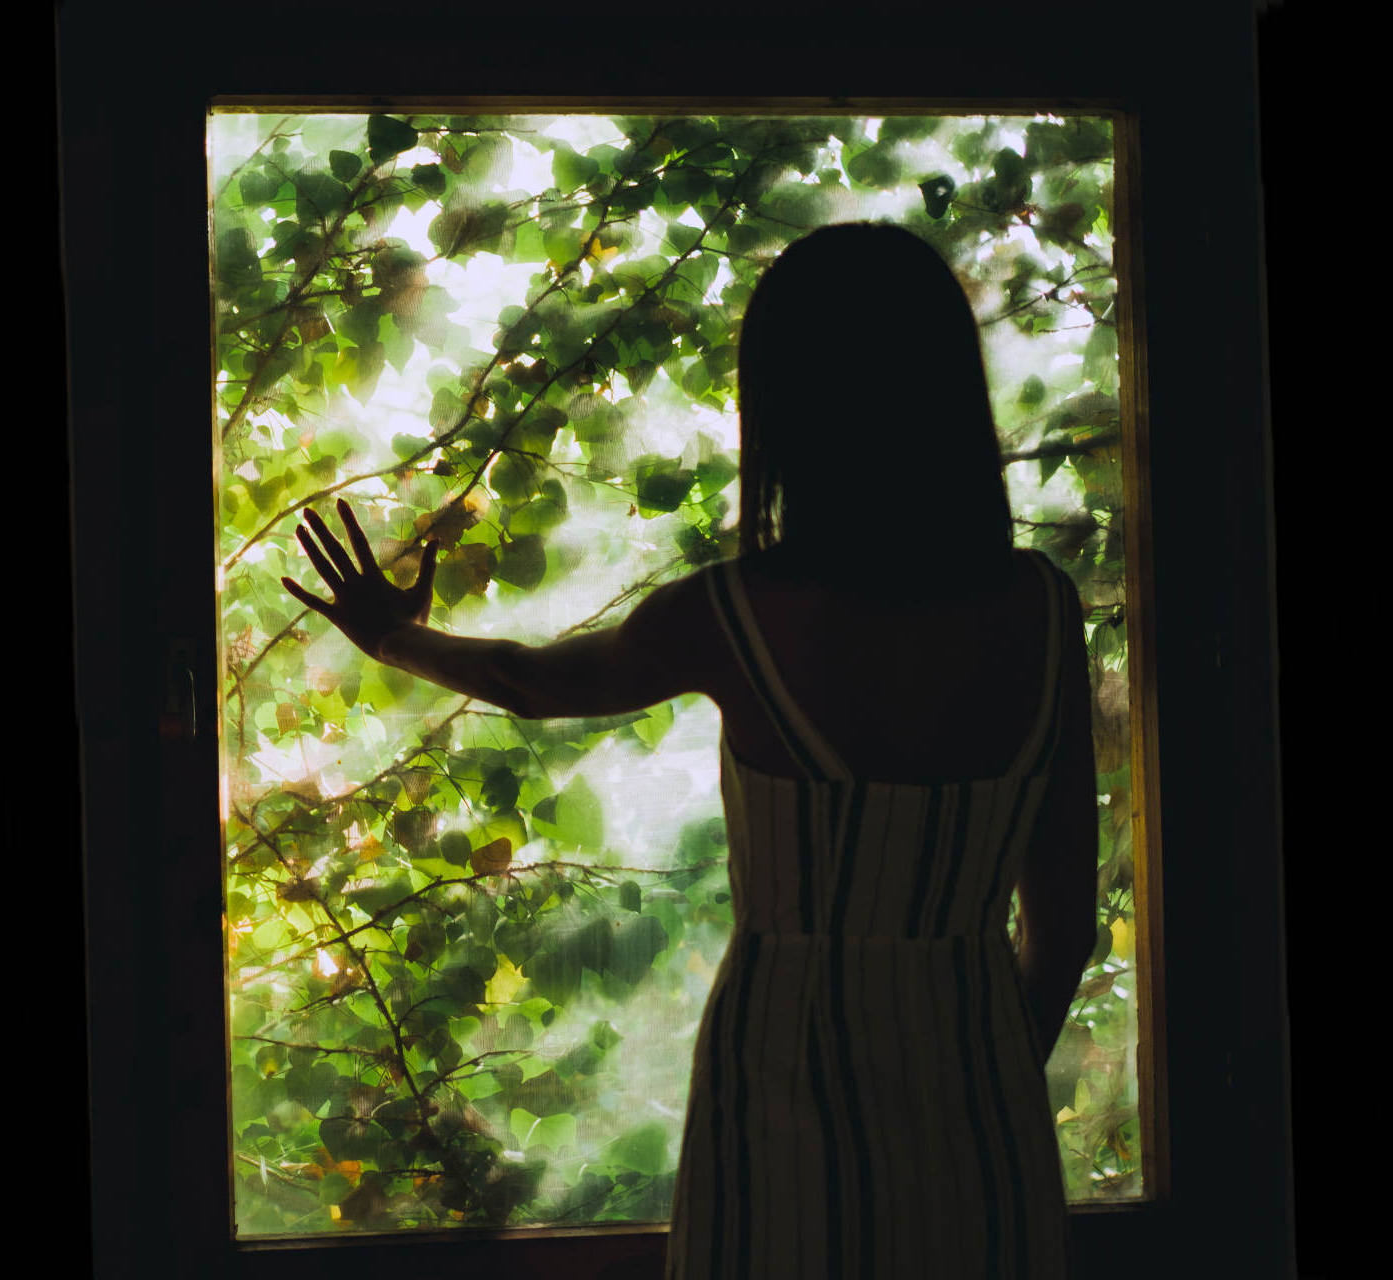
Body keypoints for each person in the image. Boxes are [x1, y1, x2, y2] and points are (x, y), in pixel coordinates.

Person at [283, 221, 1097, 1278]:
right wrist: (977, 1072)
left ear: (792, 410)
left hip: (779, 1099)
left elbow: (535, 680)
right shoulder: (1039, 608)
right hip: (984, 1121)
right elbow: (1064, 927)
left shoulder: (734, 614)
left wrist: (391, 634)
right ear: (947, 393)